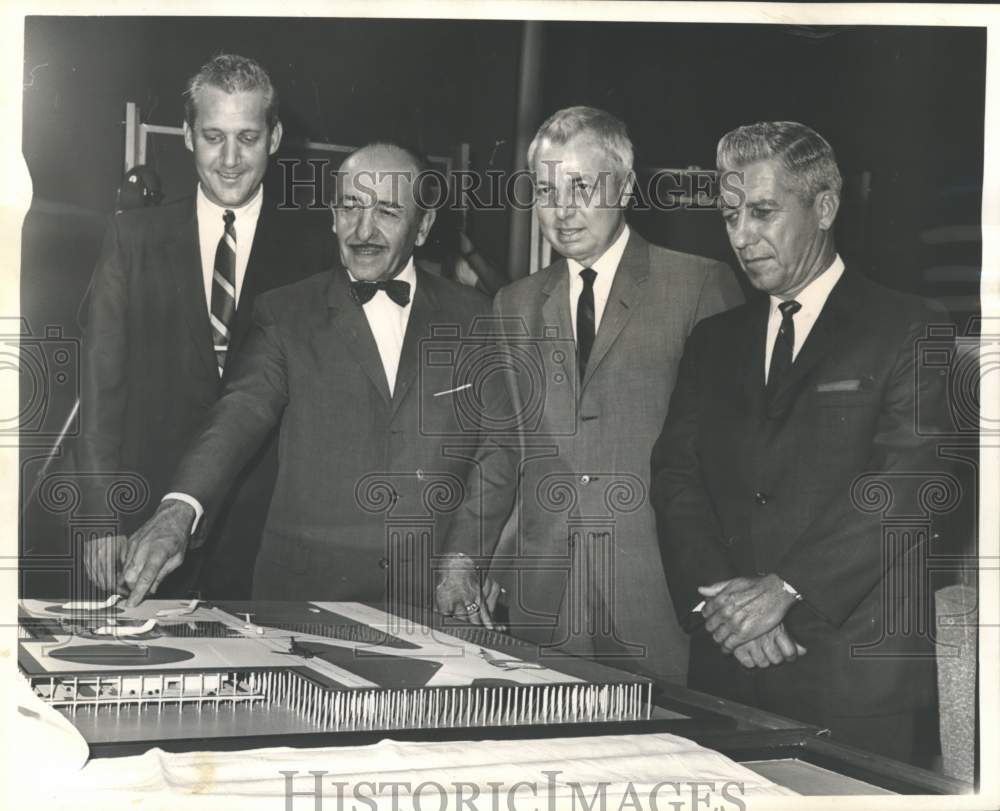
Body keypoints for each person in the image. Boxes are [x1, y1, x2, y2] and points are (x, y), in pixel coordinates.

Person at [650, 121, 949, 764]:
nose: (741, 235)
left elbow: (906, 484)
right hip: (729, 666)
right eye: (730, 215)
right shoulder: (712, 341)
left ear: (824, 207)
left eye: (762, 212)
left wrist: (783, 592)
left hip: (855, 679)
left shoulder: (909, 326)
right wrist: (724, 603)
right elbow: (676, 476)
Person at [106, 142, 494, 611]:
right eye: (350, 207)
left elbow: (496, 450)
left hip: (434, 597)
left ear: (424, 226)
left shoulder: (476, 318)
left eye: (388, 211)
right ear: (332, 215)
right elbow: (239, 412)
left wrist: (463, 558)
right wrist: (180, 507)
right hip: (306, 600)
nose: (364, 230)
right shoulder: (286, 312)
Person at [436, 106, 742, 684]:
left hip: (661, 595)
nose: (562, 209)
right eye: (547, 189)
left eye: (583, 186)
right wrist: (461, 561)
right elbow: (503, 451)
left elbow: (732, 456)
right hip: (544, 600)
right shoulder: (514, 305)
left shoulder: (700, 284)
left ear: (625, 187)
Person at [79, 54, 333, 599]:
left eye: (248, 137)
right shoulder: (132, 239)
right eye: (214, 136)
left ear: (275, 136)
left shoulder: (318, 248)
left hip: (269, 529)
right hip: (146, 523)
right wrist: (102, 518)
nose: (231, 159)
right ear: (189, 135)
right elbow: (101, 392)